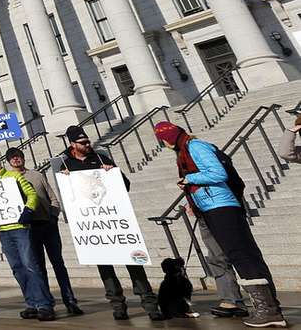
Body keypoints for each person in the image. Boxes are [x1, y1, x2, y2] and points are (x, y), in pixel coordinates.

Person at [154, 121, 286, 328]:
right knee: (238, 254)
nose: (163, 144)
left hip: (222, 206)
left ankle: (269, 311)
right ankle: (267, 309)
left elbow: (218, 173)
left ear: (168, 138)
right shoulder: (185, 150)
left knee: (242, 255)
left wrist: (189, 178)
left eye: (163, 140)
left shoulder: (195, 146)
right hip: (210, 206)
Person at [58, 125, 161, 321]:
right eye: (83, 143)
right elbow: (66, 197)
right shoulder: (64, 165)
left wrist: (112, 173)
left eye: (88, 141)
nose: (88, 145)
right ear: (72, 144)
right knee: (105, 267)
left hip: (115, 220)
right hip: (93, 224)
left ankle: (150, 304)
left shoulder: (100, 158)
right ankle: (117, 305)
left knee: (134, 263)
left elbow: (124, 185)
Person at [0, 152, 54, 321]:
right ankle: (31, 303)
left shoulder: (14, 176)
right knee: (17, 269)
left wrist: (28, 210)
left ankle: (44, 305)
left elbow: (32, 195)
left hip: (20, 228)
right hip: (3, 230)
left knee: (30, 265)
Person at [6, 146, 81, 315]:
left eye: (18, 156)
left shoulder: (37, 175)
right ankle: (46, 303)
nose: (16, 159)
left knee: (58, 263)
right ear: (9, 162)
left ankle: (70, 300)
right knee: (37, 267)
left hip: (47, 225)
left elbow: (53, 198)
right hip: (29, 229)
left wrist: (53, 217)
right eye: (13, 158)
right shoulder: (9, 180)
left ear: (23, 158)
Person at [187, 203, 248, 318]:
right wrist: (192, 202)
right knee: (216, 258)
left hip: (220, 207)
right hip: (203, 211)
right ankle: (231, 300)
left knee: (242, 256)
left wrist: (192, 183)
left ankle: (264, 303)